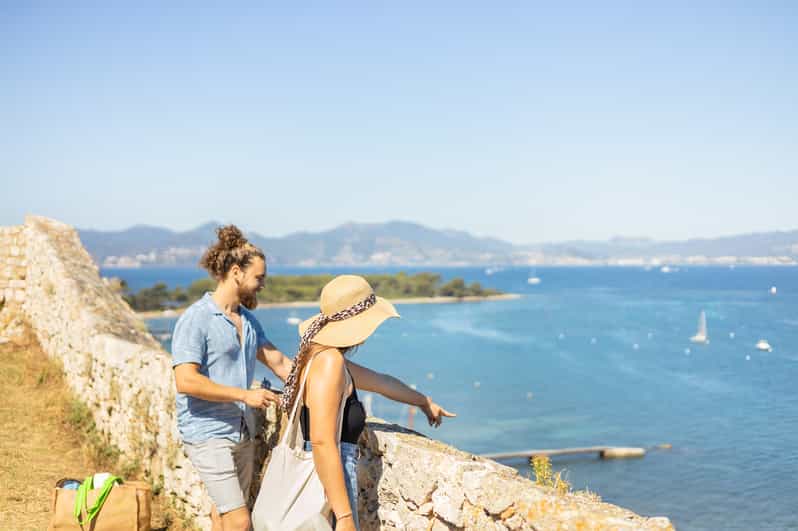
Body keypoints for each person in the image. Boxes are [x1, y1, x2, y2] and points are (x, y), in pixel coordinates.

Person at [281, 274, 456, 531]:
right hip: (328, 484)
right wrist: (343, 516)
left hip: (324, 481)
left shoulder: (321, 357)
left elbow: (381, 382)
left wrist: (423, 401)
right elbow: (322, 441)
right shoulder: (330, 363)